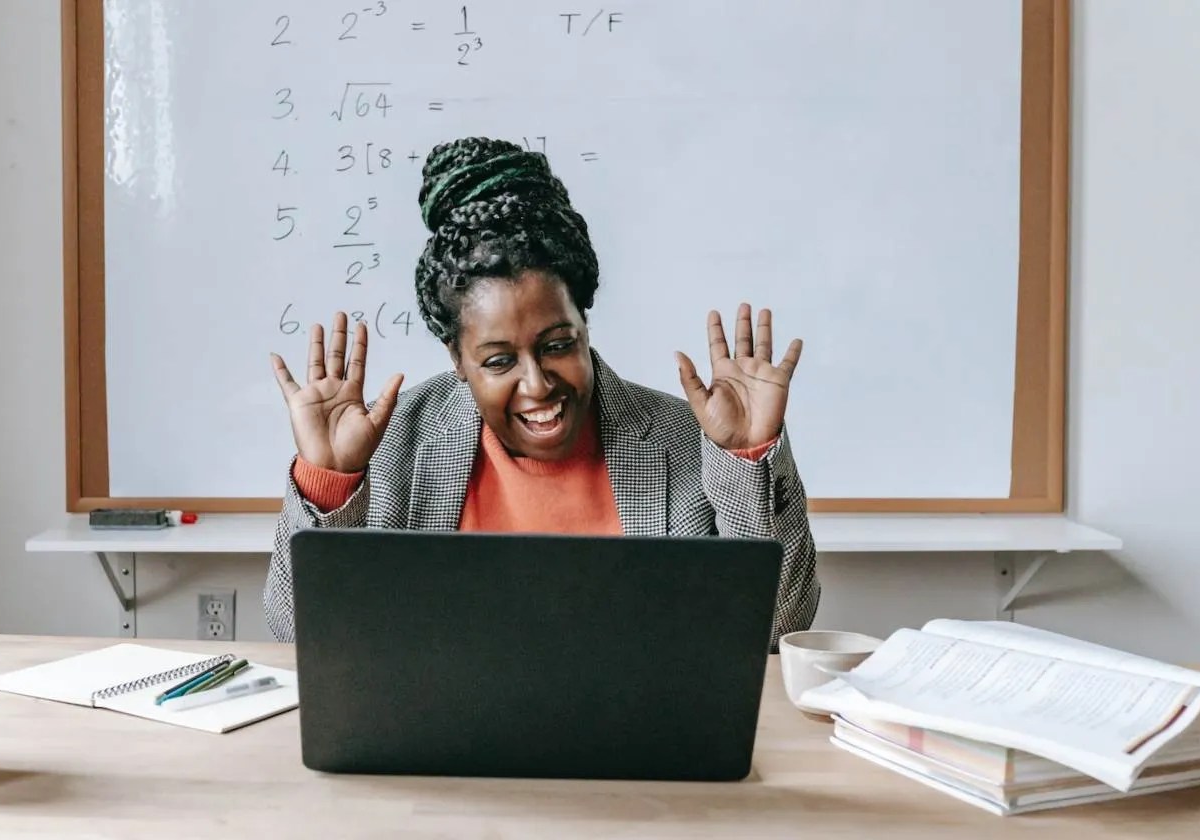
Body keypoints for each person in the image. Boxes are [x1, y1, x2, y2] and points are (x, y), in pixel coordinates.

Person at [263, 136, 819, 645]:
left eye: (556, 345)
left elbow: (777, 629)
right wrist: (330, 484)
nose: (536, 384)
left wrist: (747, 458)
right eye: (500, 360)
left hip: (631, 746)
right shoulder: (392, 445)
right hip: (445, 748)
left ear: (584, 324)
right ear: (458, 360)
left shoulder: (685, 440)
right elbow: (296, 636)